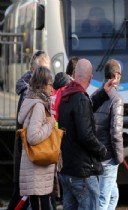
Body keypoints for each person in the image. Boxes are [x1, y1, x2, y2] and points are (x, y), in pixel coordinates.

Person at [58, 58, 115, 210]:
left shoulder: (66, 96)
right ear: (90, 78)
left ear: (74, 74)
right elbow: (85, 135)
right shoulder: (80, 99)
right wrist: (101, 150)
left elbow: (84, 107)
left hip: (67, 170)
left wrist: (103, 93)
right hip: (82, 172)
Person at [7, 50, 50, 210]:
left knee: (32, 199)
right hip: (33, 158)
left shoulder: (33, 95)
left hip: (32, 158)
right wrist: (50, 125)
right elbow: (30, 134)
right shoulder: (32, 97)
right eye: (44, 71)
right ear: (35, 72)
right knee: (24, 198)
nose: (48, 76)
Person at [17, 66, 57, 210]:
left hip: (31, 164)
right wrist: (50, 124)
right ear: (42, 84)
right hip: (38, 165)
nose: (52, 89)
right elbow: (32, 137)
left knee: (35, 205)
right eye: (50, 84)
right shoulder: (39, 105)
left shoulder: (29, 100)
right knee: (44, 205)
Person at [92, 59, 124, 210]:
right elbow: (115, 132)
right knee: (103, 199)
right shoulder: (116, 99)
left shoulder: (95, 94)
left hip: (97, 153)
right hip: (108, 157)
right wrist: (119, 157)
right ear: (116, 76)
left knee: (113, 195)